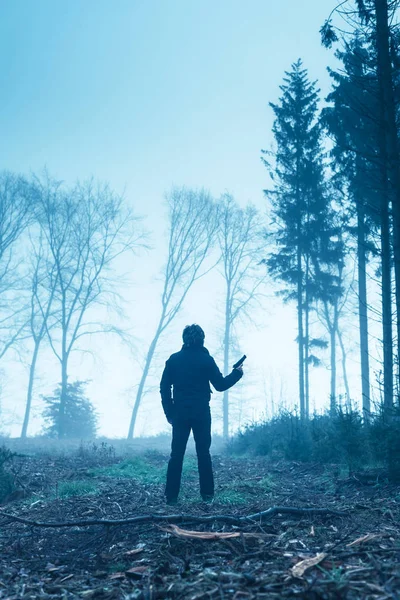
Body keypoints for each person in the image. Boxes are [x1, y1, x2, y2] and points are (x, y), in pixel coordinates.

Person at [160, 323, 243, 505]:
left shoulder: (173, 360)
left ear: (184, 339)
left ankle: (171, 497)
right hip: (201, 413)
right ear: (202, 339)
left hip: (179, 414)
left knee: (176, 455)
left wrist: (169, 412)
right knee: (203, 454)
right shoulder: (206, 360)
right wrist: (237, 374)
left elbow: (164, 388)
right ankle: (207, 496)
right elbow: (220, 385)